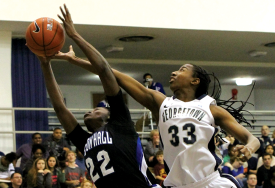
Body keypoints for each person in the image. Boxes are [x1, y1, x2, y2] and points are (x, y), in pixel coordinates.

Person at [53, 5, 260, 186]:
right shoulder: (162, 103)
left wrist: (249, 148)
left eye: (182, 70)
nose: (174, 72)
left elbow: (252, 138)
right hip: (177, 185)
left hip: (211, 182)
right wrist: (75, 60)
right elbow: (112, 74)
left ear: (195, 81)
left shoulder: (210, 107)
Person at [36, 4, 160, 188]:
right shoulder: (84, 140)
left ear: (109, 114)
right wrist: (45, 64)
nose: (90, 110)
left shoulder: (120, 124)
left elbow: (103, 70)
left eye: (96, 108)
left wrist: (75, 35)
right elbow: (60, 108)